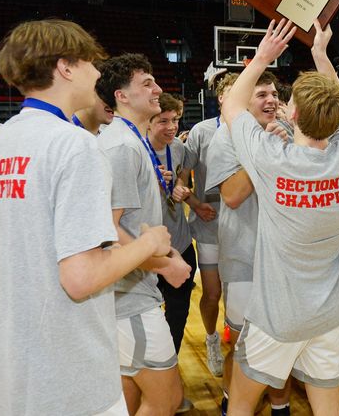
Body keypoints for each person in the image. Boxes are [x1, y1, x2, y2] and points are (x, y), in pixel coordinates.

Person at [0, 20, 172, 415]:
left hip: (10, 365)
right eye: (90, 64)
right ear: (66, 67)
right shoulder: (75, 145)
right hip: (68, 372)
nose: (98, 73)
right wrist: (151, 245)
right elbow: (80, 276)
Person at [224, 19, 339, 416]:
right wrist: (320, 54)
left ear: (293, 111)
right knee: (328, 409)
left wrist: (263, 56)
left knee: (241, 408)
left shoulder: (271, 159)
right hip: (329, 315)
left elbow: (232, 105)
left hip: (276, 319)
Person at [96, 53, 191, 415]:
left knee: (129, 396)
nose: (158, 89)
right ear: (121, 96)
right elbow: (107, 225)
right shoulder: (121, 146)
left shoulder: (129, 140)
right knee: (166, 399)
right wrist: (164, 264)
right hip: (130, 296)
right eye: (147, 83)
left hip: (128, 291)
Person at [205, 65, 291, 416]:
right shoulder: (225, 137)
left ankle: (281, 406)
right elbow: (233, 195)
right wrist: (268, 147)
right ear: (244, 101)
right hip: (243, 256)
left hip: (283, 259)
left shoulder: (289, 131)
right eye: (261, 94)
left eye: (274, 94)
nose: (271, 100)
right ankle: (232, 403)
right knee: (241, 343)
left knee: (281, 342)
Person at [184, 72, 239, 378]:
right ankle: (211, 339)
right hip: (210, 223)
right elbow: (182, 179)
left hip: (243, 226)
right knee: (213, 293)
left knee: (239, 294)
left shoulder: (251, 129)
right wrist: (194, 204)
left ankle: (238, 350)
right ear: (221, 98)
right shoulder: (202, 131)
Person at [146, 93, 198, 354]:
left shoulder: (178, 148)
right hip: (149, 250)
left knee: (178, 316)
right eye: (163, 121)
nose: (171, 127)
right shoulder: (137, 150)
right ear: (148, 122)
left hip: (180, 242)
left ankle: (171, 365)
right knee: (150, 319)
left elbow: (182, 180)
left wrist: (180, 188)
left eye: (175, 120)